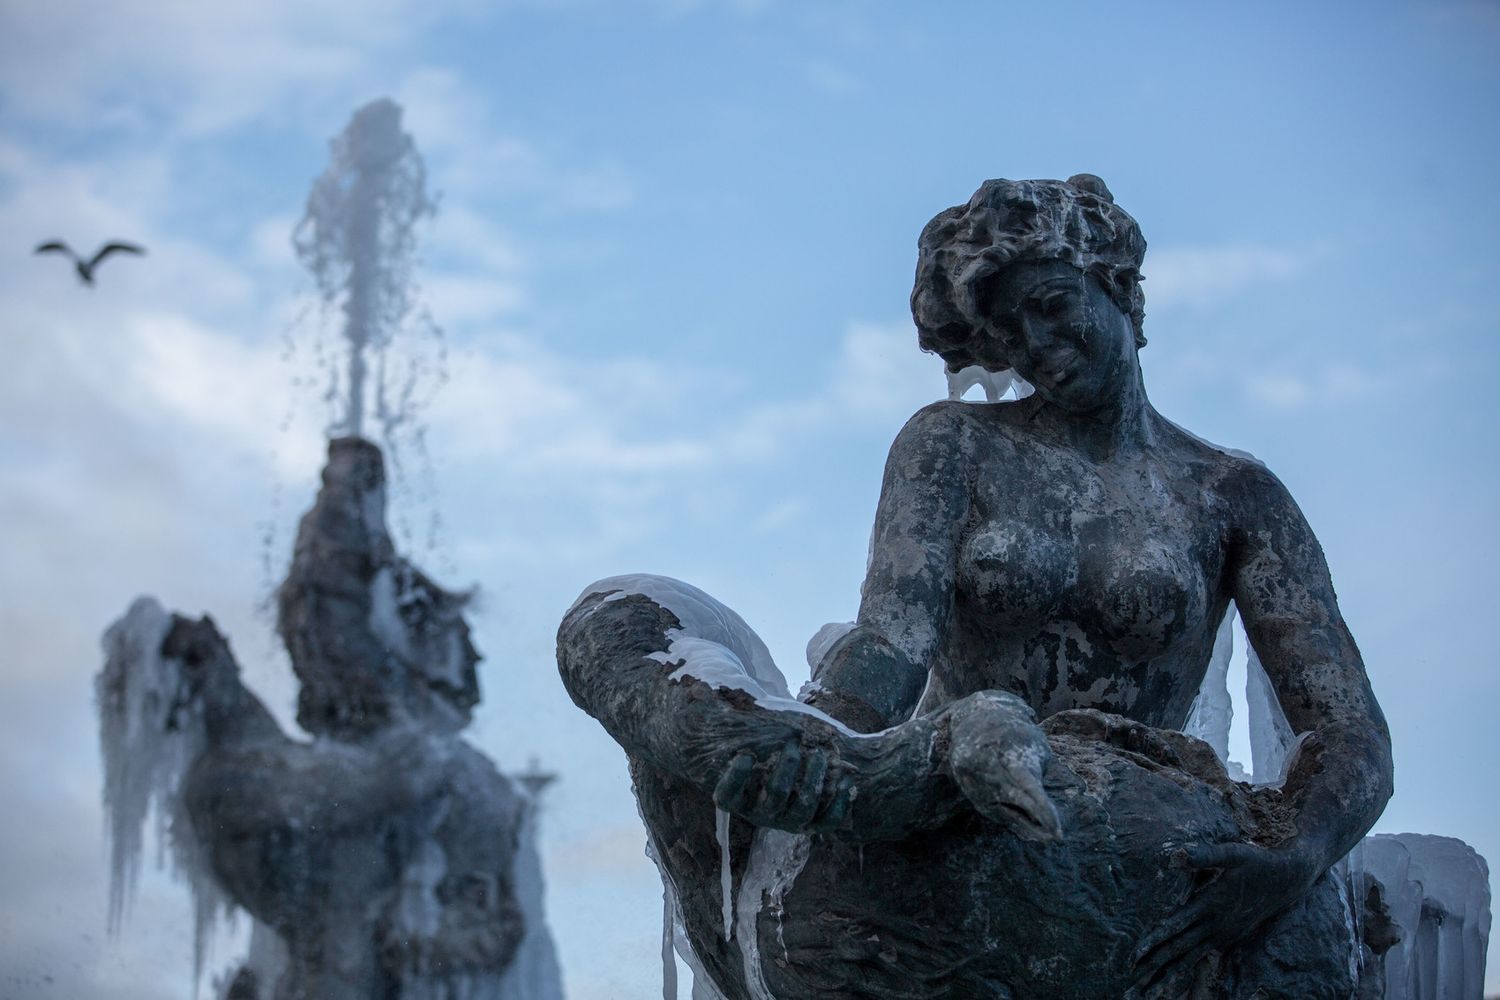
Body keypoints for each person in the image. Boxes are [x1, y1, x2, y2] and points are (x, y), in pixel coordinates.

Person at [559, 175, 1393, 999]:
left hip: (1135, 832)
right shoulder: (952, 444)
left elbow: (1347, 727)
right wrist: (817, 762)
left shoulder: (1233, 496)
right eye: (1008, 329)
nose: (1035, 344)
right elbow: (890, 646)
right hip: (954, 812)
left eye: (1054, 306)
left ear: (1118, 288)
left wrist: (1299, 851)